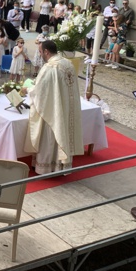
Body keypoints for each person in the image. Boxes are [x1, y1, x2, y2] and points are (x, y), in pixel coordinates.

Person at [22, 40, 83, 174]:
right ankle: (61, 166)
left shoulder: (50, 67)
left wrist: (27, 90)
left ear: (46, 52)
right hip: (66, 106)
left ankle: (48, 167)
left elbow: (40, 91)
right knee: (63, 132)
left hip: (53, 109)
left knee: (50, 137)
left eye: (40, 52)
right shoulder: (68, 63)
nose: (39, 55)